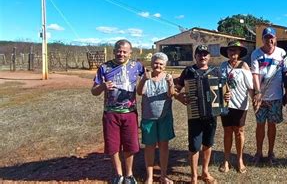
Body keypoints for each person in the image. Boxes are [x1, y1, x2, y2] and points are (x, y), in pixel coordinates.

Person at [91, 39, 144, 184]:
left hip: (130, 112)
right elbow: (93, 91)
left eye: (124, 52)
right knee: (113, 145)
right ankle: (119, 175)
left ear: (130, 53)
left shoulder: (137, 66)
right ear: (114, 51)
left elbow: (150, 77)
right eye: (118, 51)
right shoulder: (104, 67)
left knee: (129, 145)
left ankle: (129, 175)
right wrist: (102, 86)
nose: (121, 54)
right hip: (110, 113)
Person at [175, 44, 229, 183]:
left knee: (208, 143)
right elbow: (177, 88)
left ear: (209, 57)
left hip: (211, 115)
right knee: (194, 146)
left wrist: (227, 96)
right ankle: (194, 176)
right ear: (195, 56)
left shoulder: (216, 72)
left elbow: (225, 90)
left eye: (205, 54)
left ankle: (205, 172)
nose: (202, 56)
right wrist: (178, 96)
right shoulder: (189, 71)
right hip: (195, 114)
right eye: (200, 54)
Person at [250, 27, 287, 165]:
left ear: (275, 39)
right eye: (266, 38)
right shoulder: (256, 54)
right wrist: (258, 92)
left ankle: (270, 152)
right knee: (260, 125)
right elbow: (255, 74)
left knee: (272, 125)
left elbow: (286, 73)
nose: (269, 40)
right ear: (263, 39)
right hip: (260, 98)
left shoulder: (282, 53)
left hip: (276, 97)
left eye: (272, 37)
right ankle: (259, 152)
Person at [137, 52, 175, 184]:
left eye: (161, 64)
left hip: (164, 118)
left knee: (164, 146)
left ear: (164, 66)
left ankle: (163, 175)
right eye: (156, 63)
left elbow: (171, 95)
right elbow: (140, 92)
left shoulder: (168, 78)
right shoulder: (146, 78)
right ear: (152, 64)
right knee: (150, 147)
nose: (158, 65)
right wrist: (144, 80)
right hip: (149, 119)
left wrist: (170, 83)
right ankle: (149, 177)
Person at [218, 40, 254, 174]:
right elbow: (217, 85)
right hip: (226, 105)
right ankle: (226, 160)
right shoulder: (222, 66)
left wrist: (255, 99)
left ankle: (239, 160)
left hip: (240, 104)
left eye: (235, 50)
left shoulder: (244, 66)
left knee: (239, 132)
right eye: (230, 50)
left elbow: (250, 87)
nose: (233, 52)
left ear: (239, 53)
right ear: (227, 52)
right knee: (227, 131)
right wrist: (221, 96)